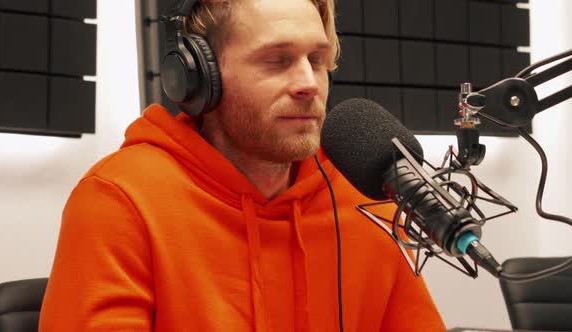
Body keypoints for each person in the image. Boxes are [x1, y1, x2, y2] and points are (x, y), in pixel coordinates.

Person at [39, 0, 445, 330]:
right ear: (199, 78)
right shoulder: (121, 201)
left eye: (317, 60)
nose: (309, 83)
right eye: (276, 60)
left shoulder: (366, 198)